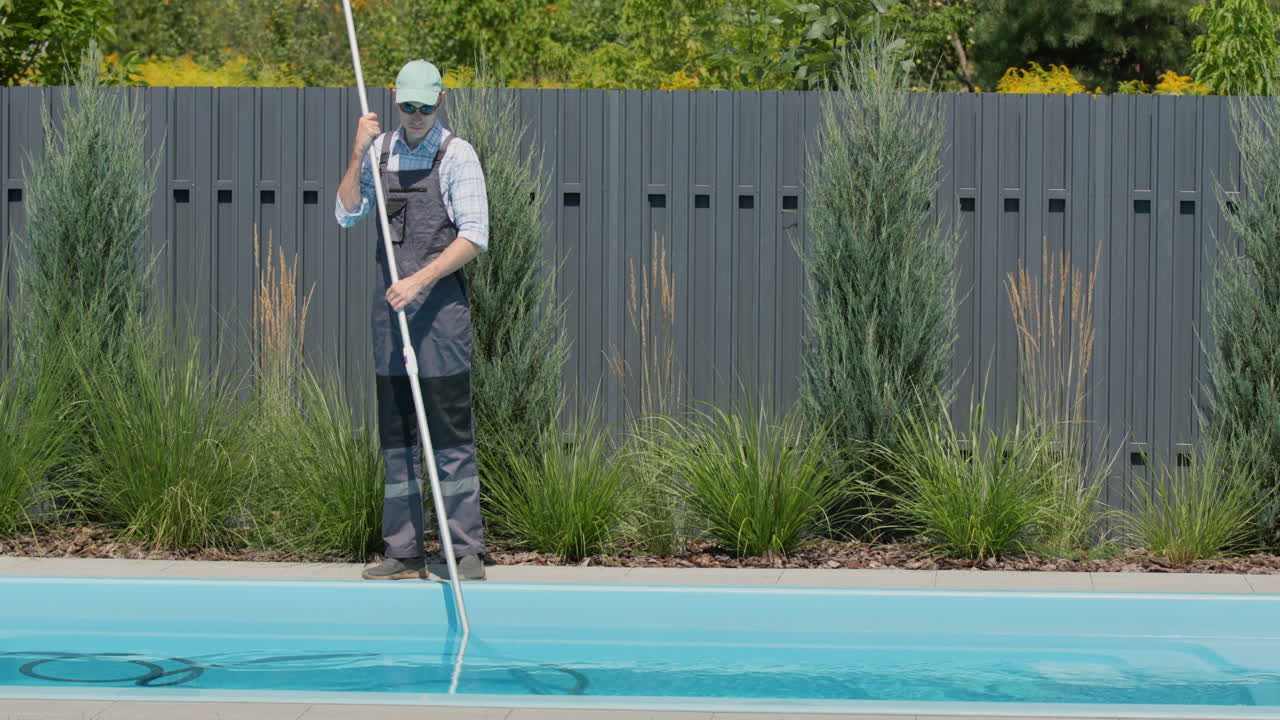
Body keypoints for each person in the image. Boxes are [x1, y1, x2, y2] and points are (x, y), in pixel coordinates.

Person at [335, 59, 488, 581]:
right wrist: (357, 152)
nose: (417, 115)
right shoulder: (379, 153)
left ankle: (464, 551)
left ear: (441, 101)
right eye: (409, 106)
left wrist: (420, 280)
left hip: (440, 320)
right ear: (396, 100)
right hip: (391, 321)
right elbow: (347, 213)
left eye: (426, 106)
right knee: (398, 439)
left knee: (449, 437)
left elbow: (474, 237)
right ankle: (403, 552)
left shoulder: (456, 155)